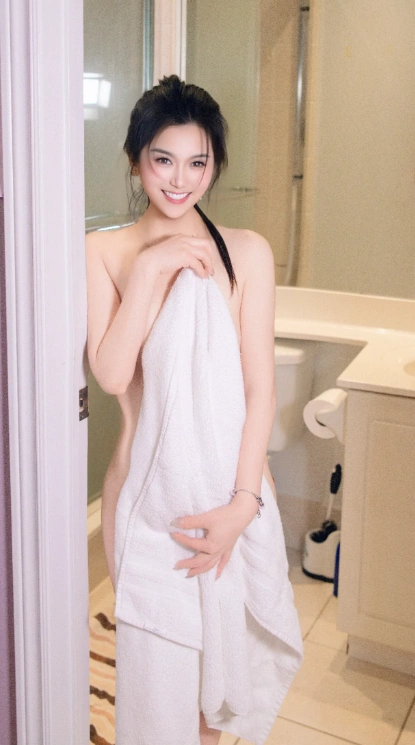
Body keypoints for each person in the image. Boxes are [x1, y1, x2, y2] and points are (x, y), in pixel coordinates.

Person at [86, 75, 303, 745]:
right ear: (136, 160)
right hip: (145, 507)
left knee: (215, 693)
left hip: (230, 494)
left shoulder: (247, 251)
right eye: (163, 160)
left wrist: (242, 505)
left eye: (197, 162)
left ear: (214, 165)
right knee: (159, 693)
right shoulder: (105, 251)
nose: (180, 180)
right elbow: (111, 372)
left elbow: (259, 389)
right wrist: (153, 270)